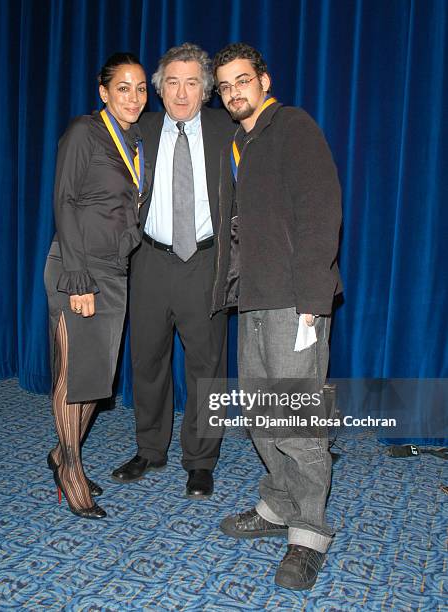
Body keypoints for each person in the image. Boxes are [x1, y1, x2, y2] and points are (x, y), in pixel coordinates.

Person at [211, 43, 342, 589]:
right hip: (257, 297)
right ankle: (278, 506)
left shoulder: (293, 127)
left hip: (296, 301)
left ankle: (308, 535)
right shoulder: (244, 142)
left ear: (264, 79)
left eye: (243, 80)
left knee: (301, 424)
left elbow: (321, 211)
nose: (235, 92)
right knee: (262, 413)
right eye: (225, 86)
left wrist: (313, 300)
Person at [111, 43, 235, 498]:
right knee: (146, 359)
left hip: (205, 261)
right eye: (172, 83)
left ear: (206, 91)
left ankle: (202, 461)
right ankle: (149, 449)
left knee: (208, 367)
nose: (181, 93)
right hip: (149, 259)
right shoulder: (137, 128)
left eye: (192, 83)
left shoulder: (228, 130)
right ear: (159, 89)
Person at [44, 52, 148, 519]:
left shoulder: (137, 141)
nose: (134, 96)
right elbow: (64, 202)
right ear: (103, 93)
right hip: (77, 268)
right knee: (75, 377)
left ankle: (61, 454)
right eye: (123, 87)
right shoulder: (84, 132)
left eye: (141, 88)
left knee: (95, 379)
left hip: (114, 272)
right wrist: (78, 276)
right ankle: (69, 469)